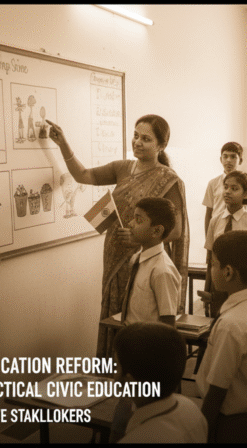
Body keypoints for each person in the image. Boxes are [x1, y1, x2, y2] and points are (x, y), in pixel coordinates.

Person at [47, 116, 188, 359]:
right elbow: (83, 175)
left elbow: (175, 230)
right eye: (135, 135)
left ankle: (137, 371)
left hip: (142, 259)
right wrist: (62, 144)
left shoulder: (169, 179)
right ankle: (111, 374)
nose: (138, 142)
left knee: (137, 317)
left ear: (161, 146)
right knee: (112, 313)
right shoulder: (122, 168)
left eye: (146, 139)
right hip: (113, 255)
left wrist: (138, 241)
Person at [197, 231, 247, 443]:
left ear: (228, 271)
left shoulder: (231, 324)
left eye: (213, 264)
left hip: (230, 422)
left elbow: (216, 392)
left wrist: (202, 433)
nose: (211, 269)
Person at [110, 322, 206, 443]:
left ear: (130, 380)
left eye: (117, 367)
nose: (114, 375)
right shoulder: (191, 408)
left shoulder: (137, 439)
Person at [203, 170, 247, 317]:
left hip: (241, 283)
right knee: (217, 318)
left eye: (234, 189)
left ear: (246, 194)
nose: (228, 192)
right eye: (226, 187)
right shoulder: (215, 221)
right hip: (219, 282)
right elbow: (211, 256)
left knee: (239, 318)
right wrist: (208, 288)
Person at [121, 197, 180, 327]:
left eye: (138, 220)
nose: (131, 223)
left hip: (148, 342)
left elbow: (168, 321)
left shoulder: (162, 270)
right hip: (131, 334)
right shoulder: (136, 258)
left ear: (156, 231)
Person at [203, 142, 244, 235]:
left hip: (239, 229)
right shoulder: (213, 183)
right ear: (221, 159)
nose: (228, 160)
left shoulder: (245, 183)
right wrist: (208, 240)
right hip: (217, 229)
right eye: (225, 156)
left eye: (233, 157)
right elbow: (209, 213)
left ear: (240, 160)